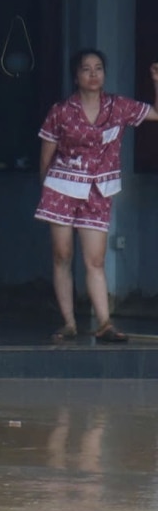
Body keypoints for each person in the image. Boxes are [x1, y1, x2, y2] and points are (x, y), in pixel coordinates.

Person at [34, 50, 158, 343]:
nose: (93, 74)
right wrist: (46, 190)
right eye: (86, 69)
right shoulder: (61, 111)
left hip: (99, 189)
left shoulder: (118, 107)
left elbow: (156, 113)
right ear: (75, 76)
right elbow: (46, 155)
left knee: (96, 260)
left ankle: (104, 323)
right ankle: (68, 322)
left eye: (98, 68)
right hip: (62, 186)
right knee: (62, 255)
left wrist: (156, 81)